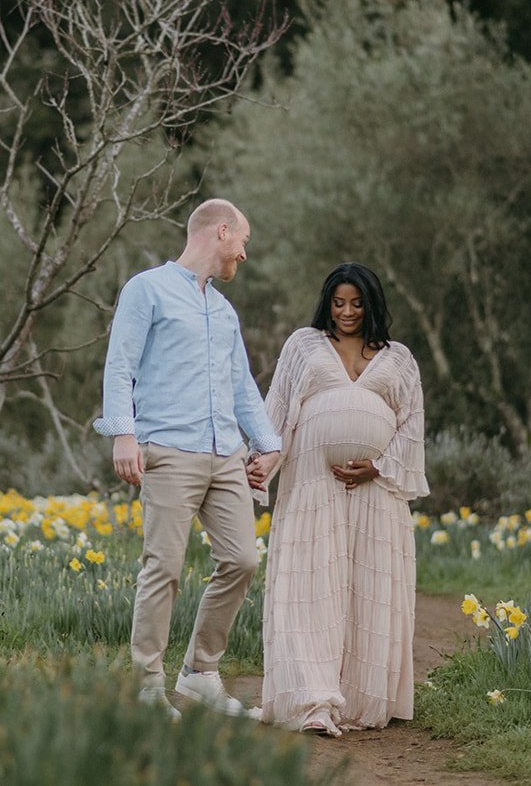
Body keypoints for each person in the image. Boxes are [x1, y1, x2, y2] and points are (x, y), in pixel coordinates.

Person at [95, 198, 282, 720]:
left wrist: (269, 445)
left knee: (243, 559)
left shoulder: (224, 310)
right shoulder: (147, 288)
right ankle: (148, 686)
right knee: (165, 567)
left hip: (226, 455)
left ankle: (200, 673)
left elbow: (242, 386)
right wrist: (123, 434)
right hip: (169, 451)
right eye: (242, 241)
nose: (243, 254)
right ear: (222, 231)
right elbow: (120, 365)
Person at [259, 262, 428, 736]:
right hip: (312, 487)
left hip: (377, 495)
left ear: (371, 303)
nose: (347, 312)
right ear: (327, 303)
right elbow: (277, 408)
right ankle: (313, 699)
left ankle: (357, 697)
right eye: (338, 302)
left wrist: (379, 465)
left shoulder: (398, 358)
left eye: (356, 303)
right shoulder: (304, 345)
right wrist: (259, 465)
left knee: (365, 593)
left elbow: (412, 421)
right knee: (310, 591)